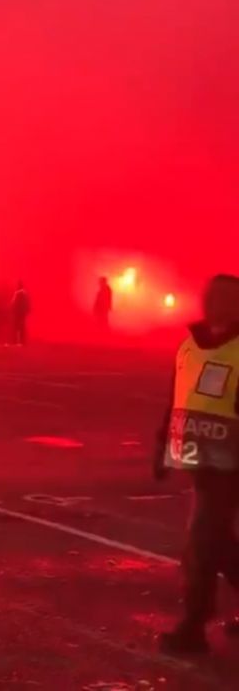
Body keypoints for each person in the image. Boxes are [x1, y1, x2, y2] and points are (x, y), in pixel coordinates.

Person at [156, 274, 239, 654]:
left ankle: (193, 626)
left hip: (230, 466)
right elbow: (176, 398)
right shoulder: (190, 344)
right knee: (217, 542)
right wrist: (161, 446)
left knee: (202, 543)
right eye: (209, 295)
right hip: (197, 459)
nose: (212, 302)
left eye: (223, 297)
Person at [10, 281, 31, 346]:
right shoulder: (25, 293)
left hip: (17, 313)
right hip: (22, 313)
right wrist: (27, 311)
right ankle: (22, 342)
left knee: (16, 327)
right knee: (21, 327)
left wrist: (12, 309)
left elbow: (13, 302)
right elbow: (27, 303)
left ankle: (15, 341)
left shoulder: (17, 293)